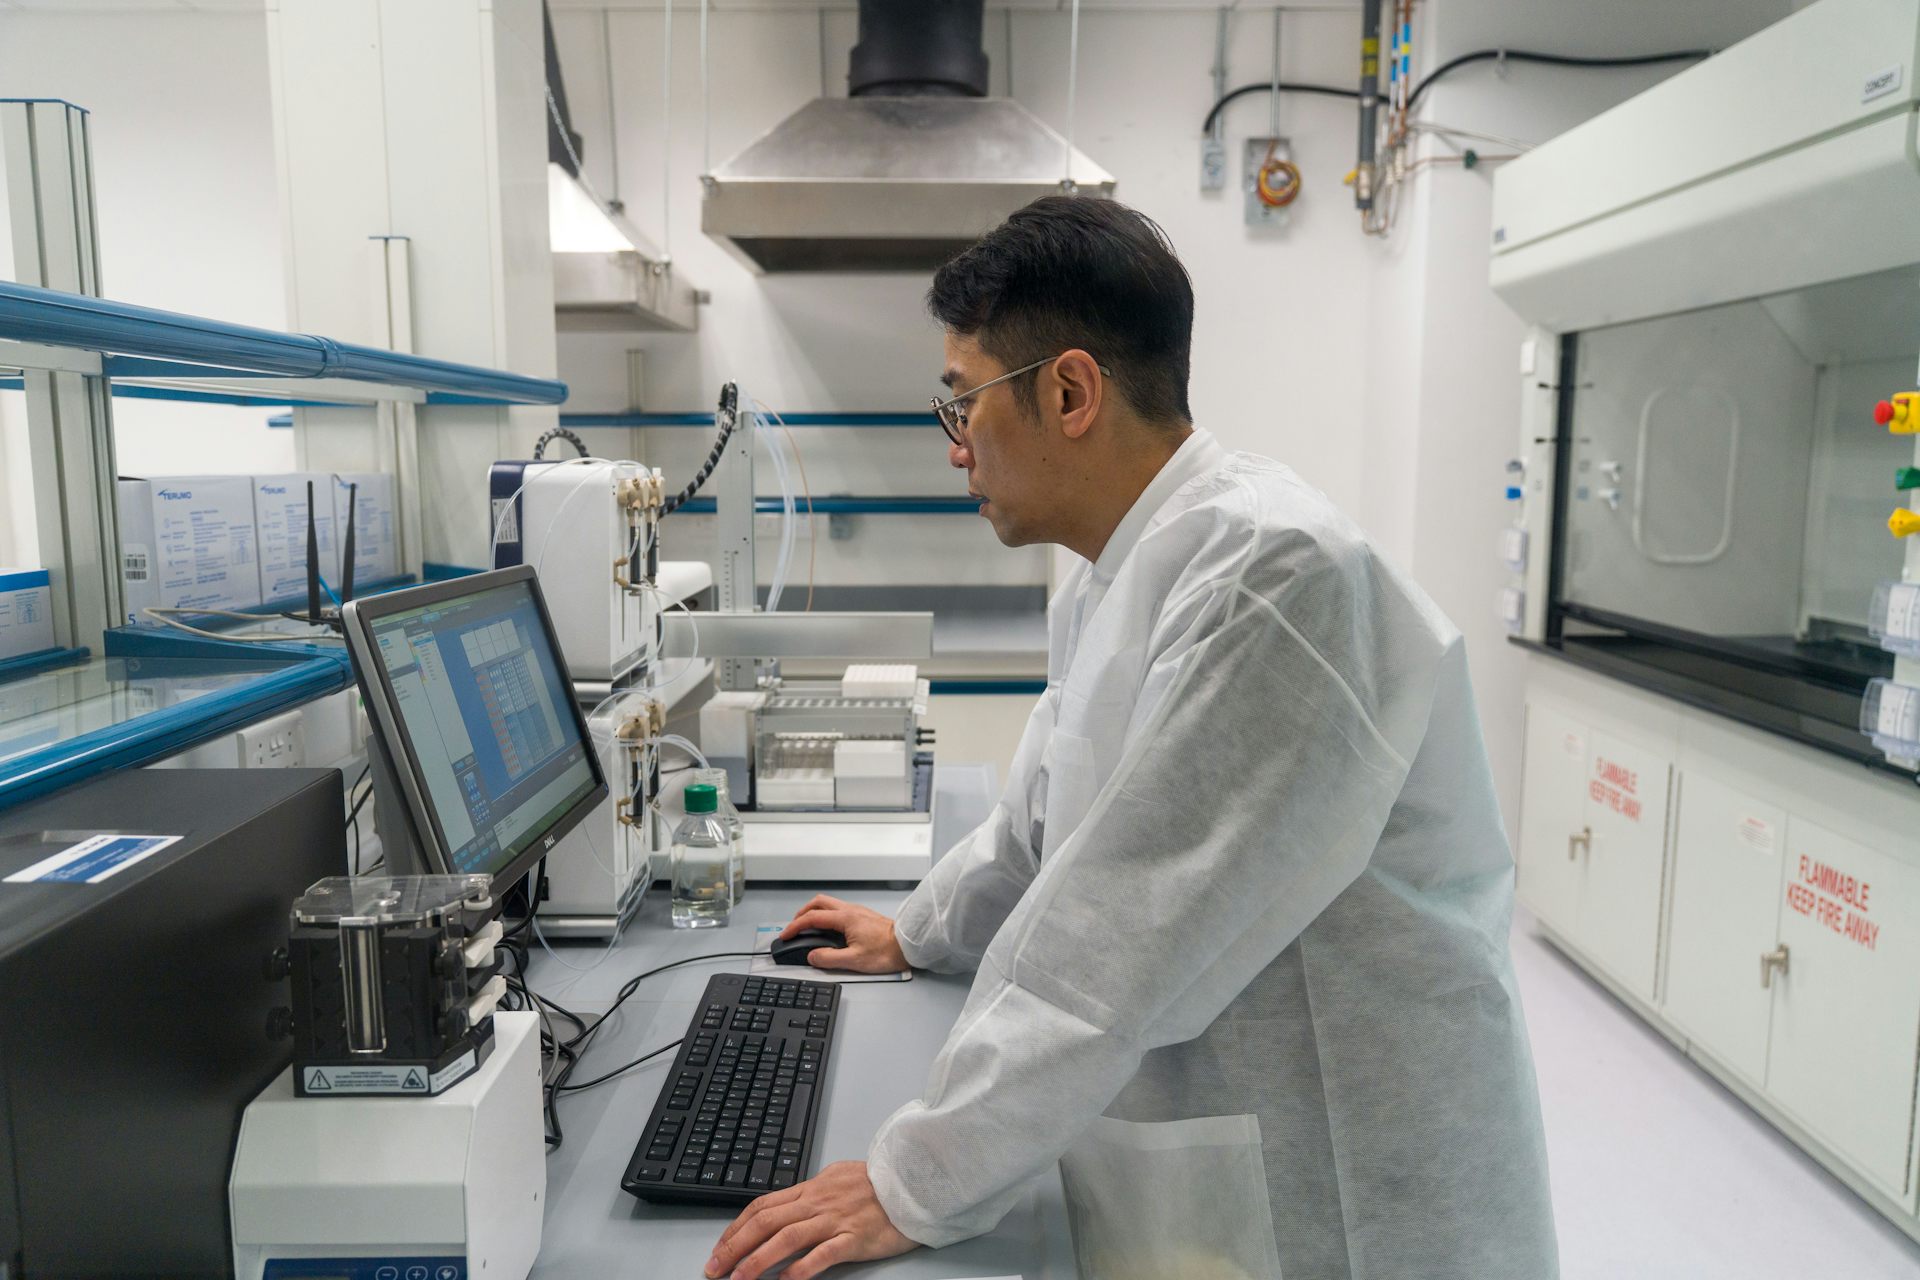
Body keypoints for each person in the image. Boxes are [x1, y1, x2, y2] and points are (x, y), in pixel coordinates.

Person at [704, 196, 1558, 1280]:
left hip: (1350, 1177)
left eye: (961, 405)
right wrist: (918, 933)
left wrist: (912, 1174)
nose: (955, 446)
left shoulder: (1269, 575)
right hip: (1227, 1124)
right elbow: (1041, 828)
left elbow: (1119, 934)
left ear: (1069, 390)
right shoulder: (1122, 567)